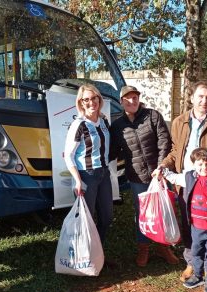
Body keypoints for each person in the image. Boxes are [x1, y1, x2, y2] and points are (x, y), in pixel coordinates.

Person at [153, 82, 207, 283]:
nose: (204, 101)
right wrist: (163, 167)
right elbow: (175, 151)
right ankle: (192, 262)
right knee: (190, 224)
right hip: (187, 183)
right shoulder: (179, 122)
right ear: (191, 98)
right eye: (200, 96)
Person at [109, 85, 179, 267]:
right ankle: (144, 248)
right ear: (121, 102)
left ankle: (163, 247)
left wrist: (162, 167)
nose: (132, 101)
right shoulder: (117, 126)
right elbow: (112, 151)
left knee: (163, 209)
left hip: (159, 173)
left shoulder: (152, 115)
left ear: (139, 99)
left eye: (135, 97)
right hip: (136, 177)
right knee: (143, 213)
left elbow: (165, 141)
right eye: (127, 98)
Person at [162, 147, 207, 292]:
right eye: (200, 164)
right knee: (196, 252)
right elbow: (174, 177)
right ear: (194, 165)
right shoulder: (189, 177)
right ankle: (198, 275)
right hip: (196, 228)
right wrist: (162, 171)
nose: (204, 168)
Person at [64, 84, 113, 245]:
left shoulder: (104, 120)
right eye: (86, 99)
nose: (91, 102)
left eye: (94, 98)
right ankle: (85, 259)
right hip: (86, 176)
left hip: (103, 174)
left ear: (99, 99)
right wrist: (78, 180)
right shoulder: (79, 125)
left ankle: (97, 253)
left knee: (106, 217)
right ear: (81, 103)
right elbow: (68, 156)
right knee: (86, 220)